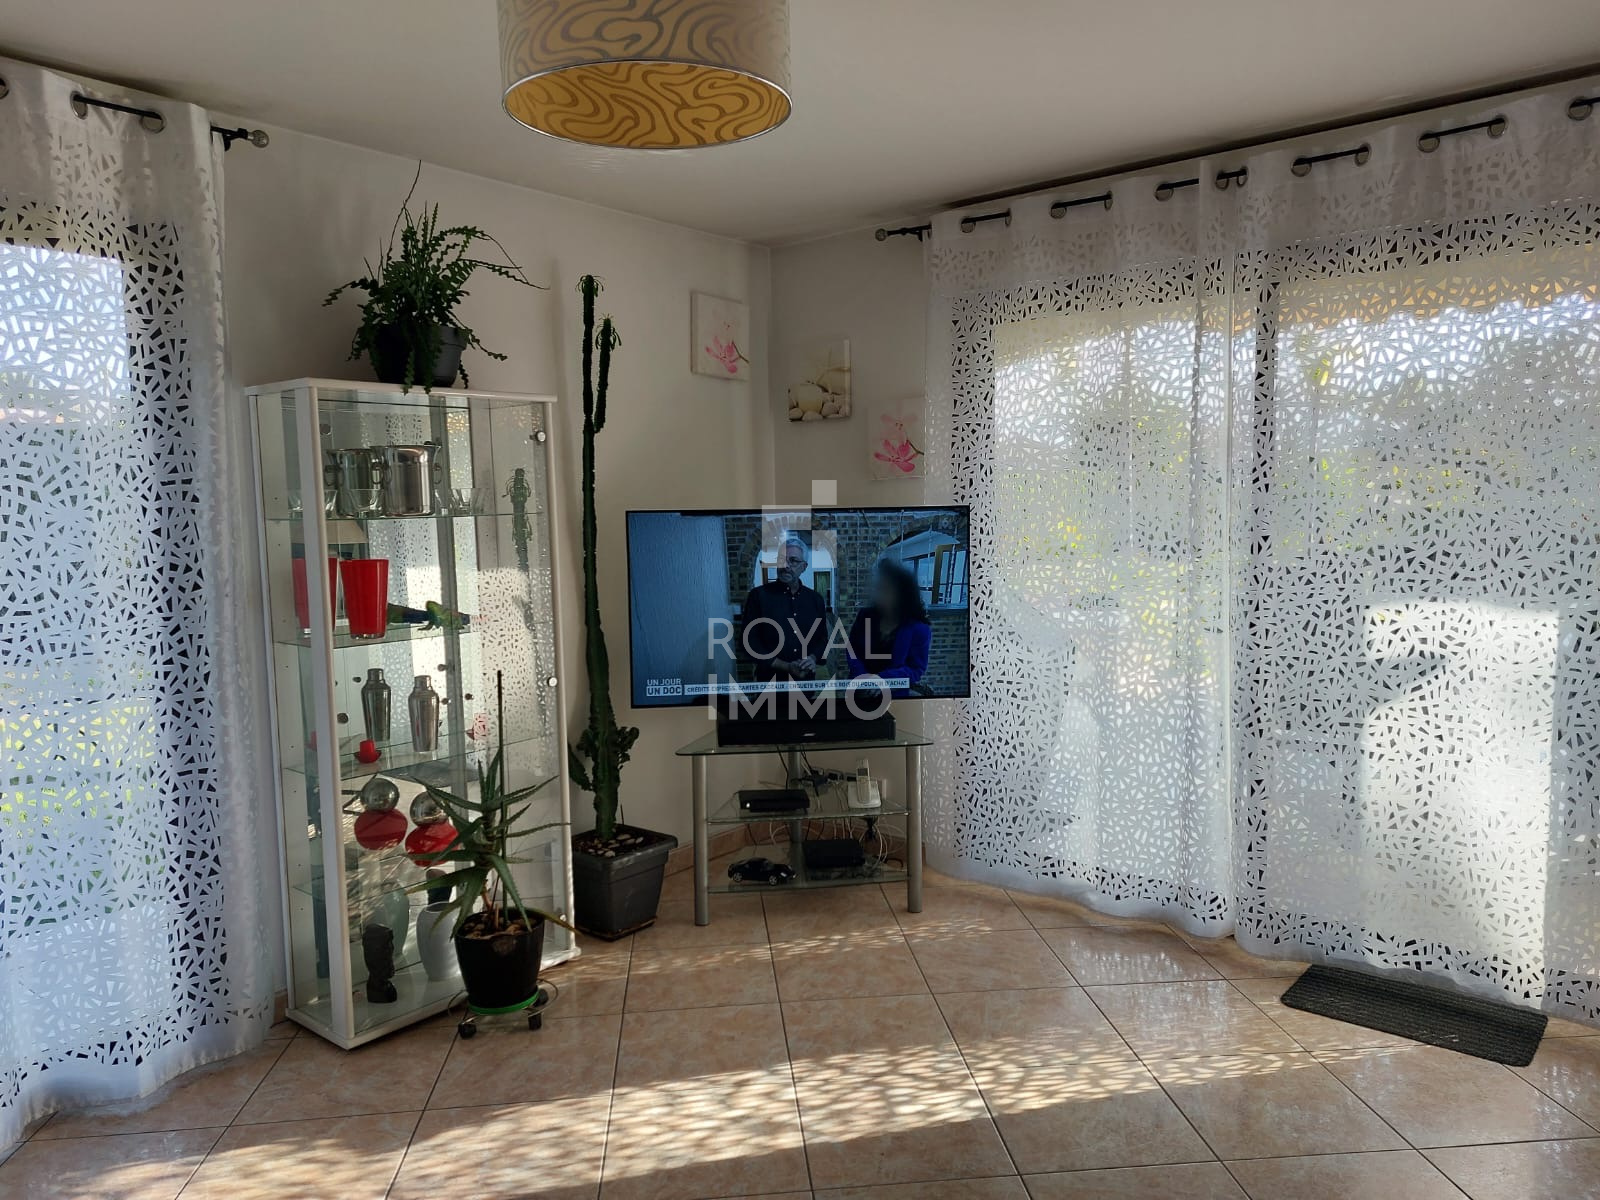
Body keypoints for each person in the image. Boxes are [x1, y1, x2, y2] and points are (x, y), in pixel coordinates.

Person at [740, 536, 831, 682]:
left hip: (805, 680)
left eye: (793, 560)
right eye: (781, 559)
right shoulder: (758, 596)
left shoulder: (815, 600)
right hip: (769, 681)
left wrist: (813, 658)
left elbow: (822, 638)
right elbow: (749, 641)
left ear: (804, 567)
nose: (785, 565)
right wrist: (785, 666)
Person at [847, 559, 932, 689]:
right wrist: (862, 677)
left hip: (893, 694)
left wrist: (882, 680)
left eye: (886, 590)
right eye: (878, 589)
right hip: (858, 690)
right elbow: (852, 650)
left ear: (903, 594)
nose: (879, 596)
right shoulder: (865, 616)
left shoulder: (919, 629)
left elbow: (916, 669)